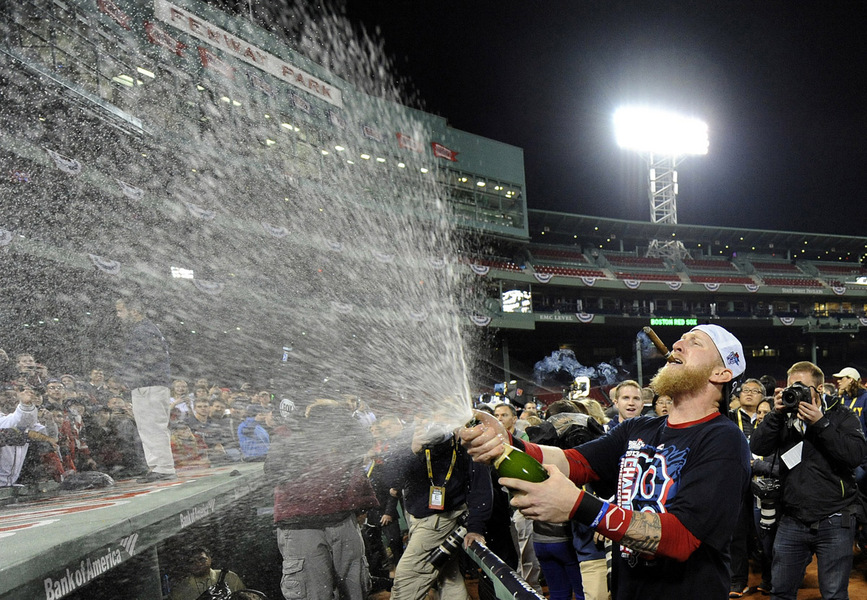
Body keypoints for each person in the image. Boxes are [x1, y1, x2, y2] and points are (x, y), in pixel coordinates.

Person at [461, 324, 751, 600]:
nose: (677, 344)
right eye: (681, 338)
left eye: (694, 342)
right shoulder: (637, 428)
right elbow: (572, 462)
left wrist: (576, 505)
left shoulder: (724, 438)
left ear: (721, 372)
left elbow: (680, 537)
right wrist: (505, 441)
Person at [750, 361, 867, 600]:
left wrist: (821, 423)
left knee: (834, 594)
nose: (796, 393)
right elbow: (758, 446)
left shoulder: (842, 415)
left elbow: (855, 455)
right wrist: (775, 413)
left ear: (820, 389)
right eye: (792, 387)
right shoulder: (783, 418)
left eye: (803, 387)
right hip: (792, 518)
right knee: (781, 592)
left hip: (835, 517)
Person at [265, 397, 377, 600]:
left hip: (342, 521)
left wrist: (340, 413)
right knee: (313, 595)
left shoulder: (342, 433)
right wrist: (307, 434)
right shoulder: (286, 433)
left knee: (357, 592)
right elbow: (273, 471)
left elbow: (365, 442)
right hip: (301, 528)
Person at [390, 403, 492, 600]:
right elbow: (393, 484)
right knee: (449, 577)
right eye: (429, 417)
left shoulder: (466, 444)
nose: (435, 423)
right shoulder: (419, 444)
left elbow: (481, 489)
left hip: (438, 522)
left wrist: (475, 527)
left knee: (407, 579)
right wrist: (413, 451)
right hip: (420, 519)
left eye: (444, 417)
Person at [115, 298, 176, 482]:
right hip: (155, 384)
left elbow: (142, 359)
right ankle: (160, 467)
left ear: (134, 311)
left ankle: (162, 468)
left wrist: (125, 377)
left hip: (148, 385)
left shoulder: (142, 331)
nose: (118, 315)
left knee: (151, 427)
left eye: (120, 311)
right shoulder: (150, 329)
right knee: (153, 427)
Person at [727, 378, 767, 598]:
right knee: (737, 532)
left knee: (767, 533)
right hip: (738, 481)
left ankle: (769, 578)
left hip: (766, 480)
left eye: (755, 390)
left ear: (763, 395)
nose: (750, 394)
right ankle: (737, 580)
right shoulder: (729, 418)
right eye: (746, 390)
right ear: (738, 395)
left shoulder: (769, 418)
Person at [0, 384, 41, 486]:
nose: (12, 399)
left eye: (15, 396)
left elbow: (24, 422)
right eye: (6, 396)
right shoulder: (7, 420)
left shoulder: (15, 417)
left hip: (10, 484)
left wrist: (25, 405)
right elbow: (12, 423)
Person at [169, 546, 245, 600]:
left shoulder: (229, 577)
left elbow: (246, 597)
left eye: (202, 559)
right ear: (187, 565)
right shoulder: (181, 590)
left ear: (210, 559)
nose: (198, 564)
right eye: (192, 562)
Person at [833, 367, 867, 434]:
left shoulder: (865, 398)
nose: (838, 381)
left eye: (841, 378)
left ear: (850, 379)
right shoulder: (840, 399)